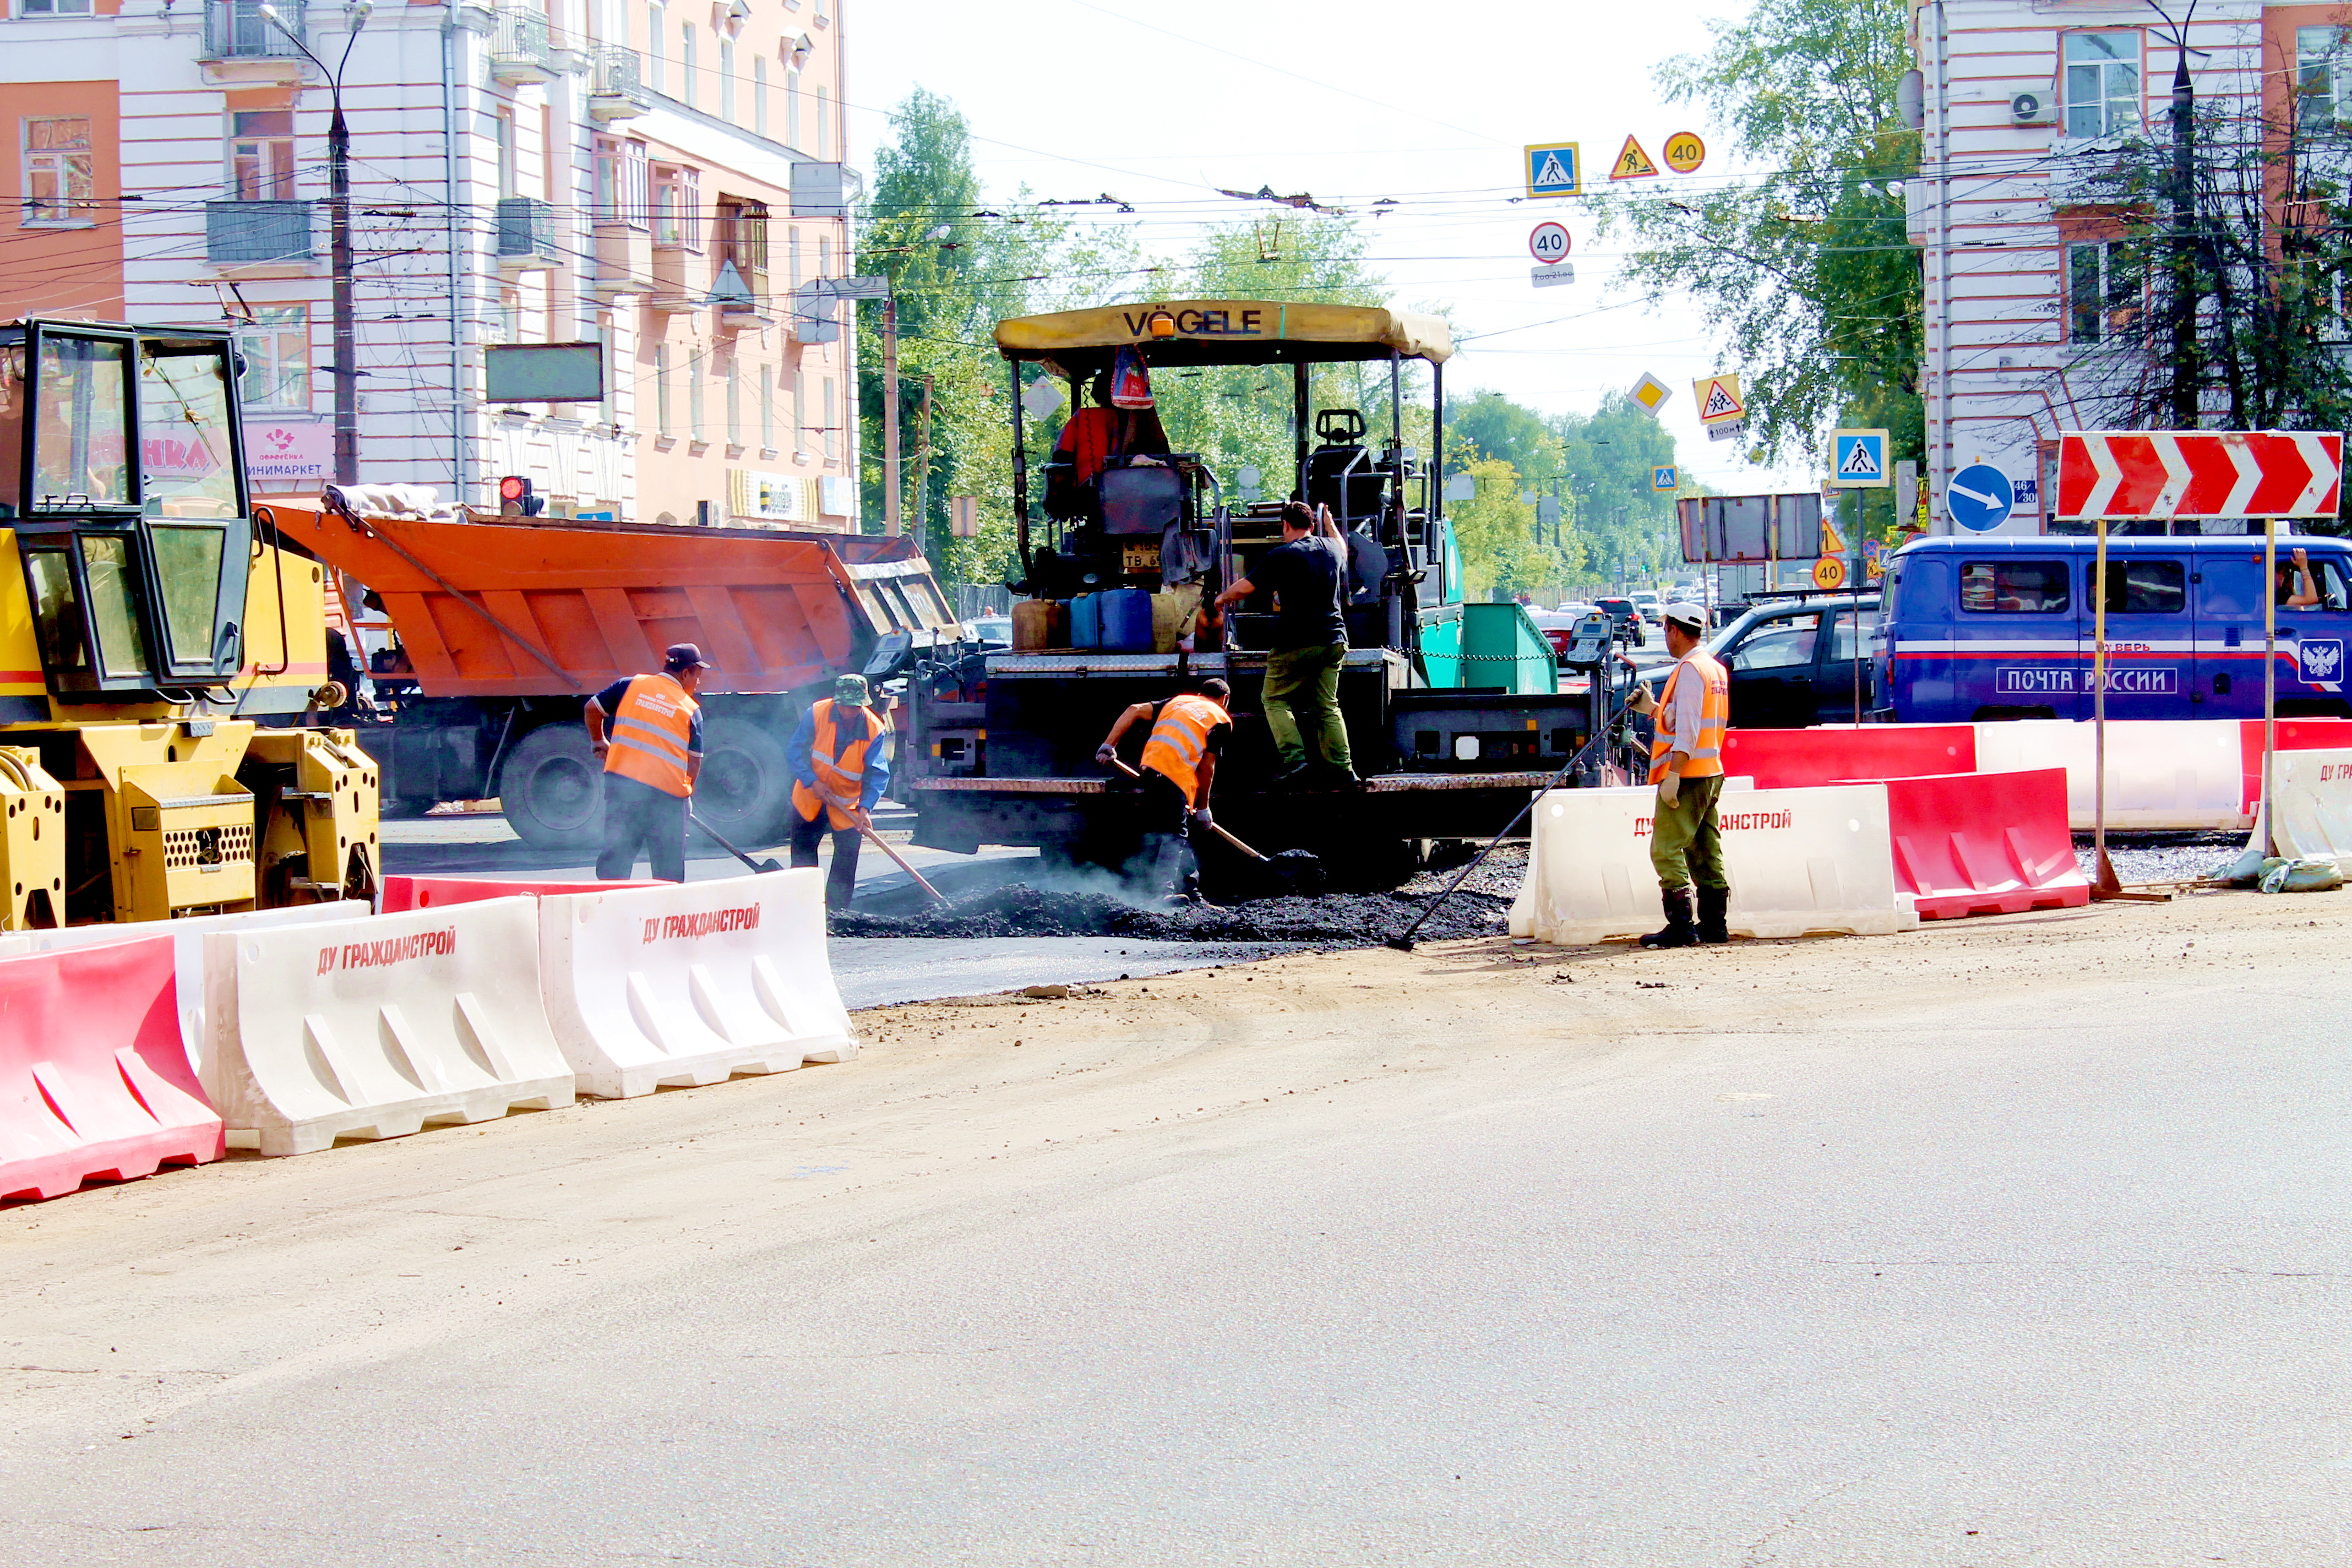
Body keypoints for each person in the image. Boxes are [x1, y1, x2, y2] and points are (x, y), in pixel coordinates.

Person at [1213, 499, 1355, 786]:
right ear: (1313, 526)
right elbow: (1341, 543)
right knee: (1327, 705)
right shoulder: (1332, 550)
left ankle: (1296, 761)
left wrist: (1222, 598)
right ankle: (1342, 768)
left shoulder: (1282, 555)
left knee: (1275, 699)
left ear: (1285, 525)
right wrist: (1329, 522)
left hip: (1296, 640)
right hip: (1334, 639)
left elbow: (1245, 588)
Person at [1625, 602, 1730, 948]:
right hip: (1710, 771)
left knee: (1666, 849)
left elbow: (1688, 728)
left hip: (1687, 774)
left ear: (1673, 629)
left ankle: (1682, 927)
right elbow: (1691, 717)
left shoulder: (1688, 670)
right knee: (1703, 849)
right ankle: (1714, 925)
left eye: (1665, 628)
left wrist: (1673, 775)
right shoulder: (1712, 668)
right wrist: (1654, 710)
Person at [1097, 677, 1232, 900]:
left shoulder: (1177, 702)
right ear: (1225, 699)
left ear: (1201, 694)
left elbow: (1134, 709)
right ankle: (1162, 893)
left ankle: (1193, 894)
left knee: (1178, 833)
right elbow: (1207, 767)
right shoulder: (1220, 718)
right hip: (1173, 775)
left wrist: (1109, 745)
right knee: (1175, 835)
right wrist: (1204, 807)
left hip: (1150, 771)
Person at [585, 643, 711, 883]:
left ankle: (608, 910)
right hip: (666, 801)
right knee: (668, 872)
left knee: (616, 861)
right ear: (686, 673)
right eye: (698, 676)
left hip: (623, 791)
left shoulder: (630, 685)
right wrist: (686, 796)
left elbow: (592, 708)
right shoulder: (690, 710)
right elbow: (693, 765)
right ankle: (663, 915)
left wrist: (598, 739)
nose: (698, 683)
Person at [787, 673, 892, 911]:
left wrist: (865, 808)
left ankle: (835, 912)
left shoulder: (874, 729)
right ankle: (804, 910)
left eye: (855, 707)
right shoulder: (816, 714)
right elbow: (795, 752)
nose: (849, 712)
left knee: (846, 856)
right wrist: (811, 781)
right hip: (809, 797)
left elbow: (877, 774)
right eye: (845, 706)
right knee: (803, 857)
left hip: (847, 803)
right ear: (837, 702)